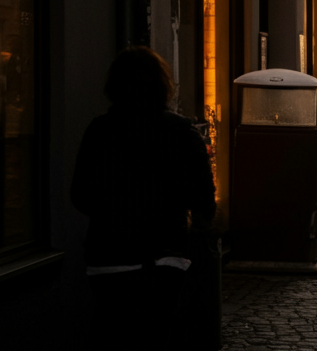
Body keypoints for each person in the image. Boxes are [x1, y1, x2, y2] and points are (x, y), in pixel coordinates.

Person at [71, 47, 216, 350]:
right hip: (164, 255)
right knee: (155, 333)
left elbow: (81, 196)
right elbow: (203, 197)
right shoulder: (182, 133)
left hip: (109, 255)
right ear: (163, 85)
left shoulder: (100, 131)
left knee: (114, 329)